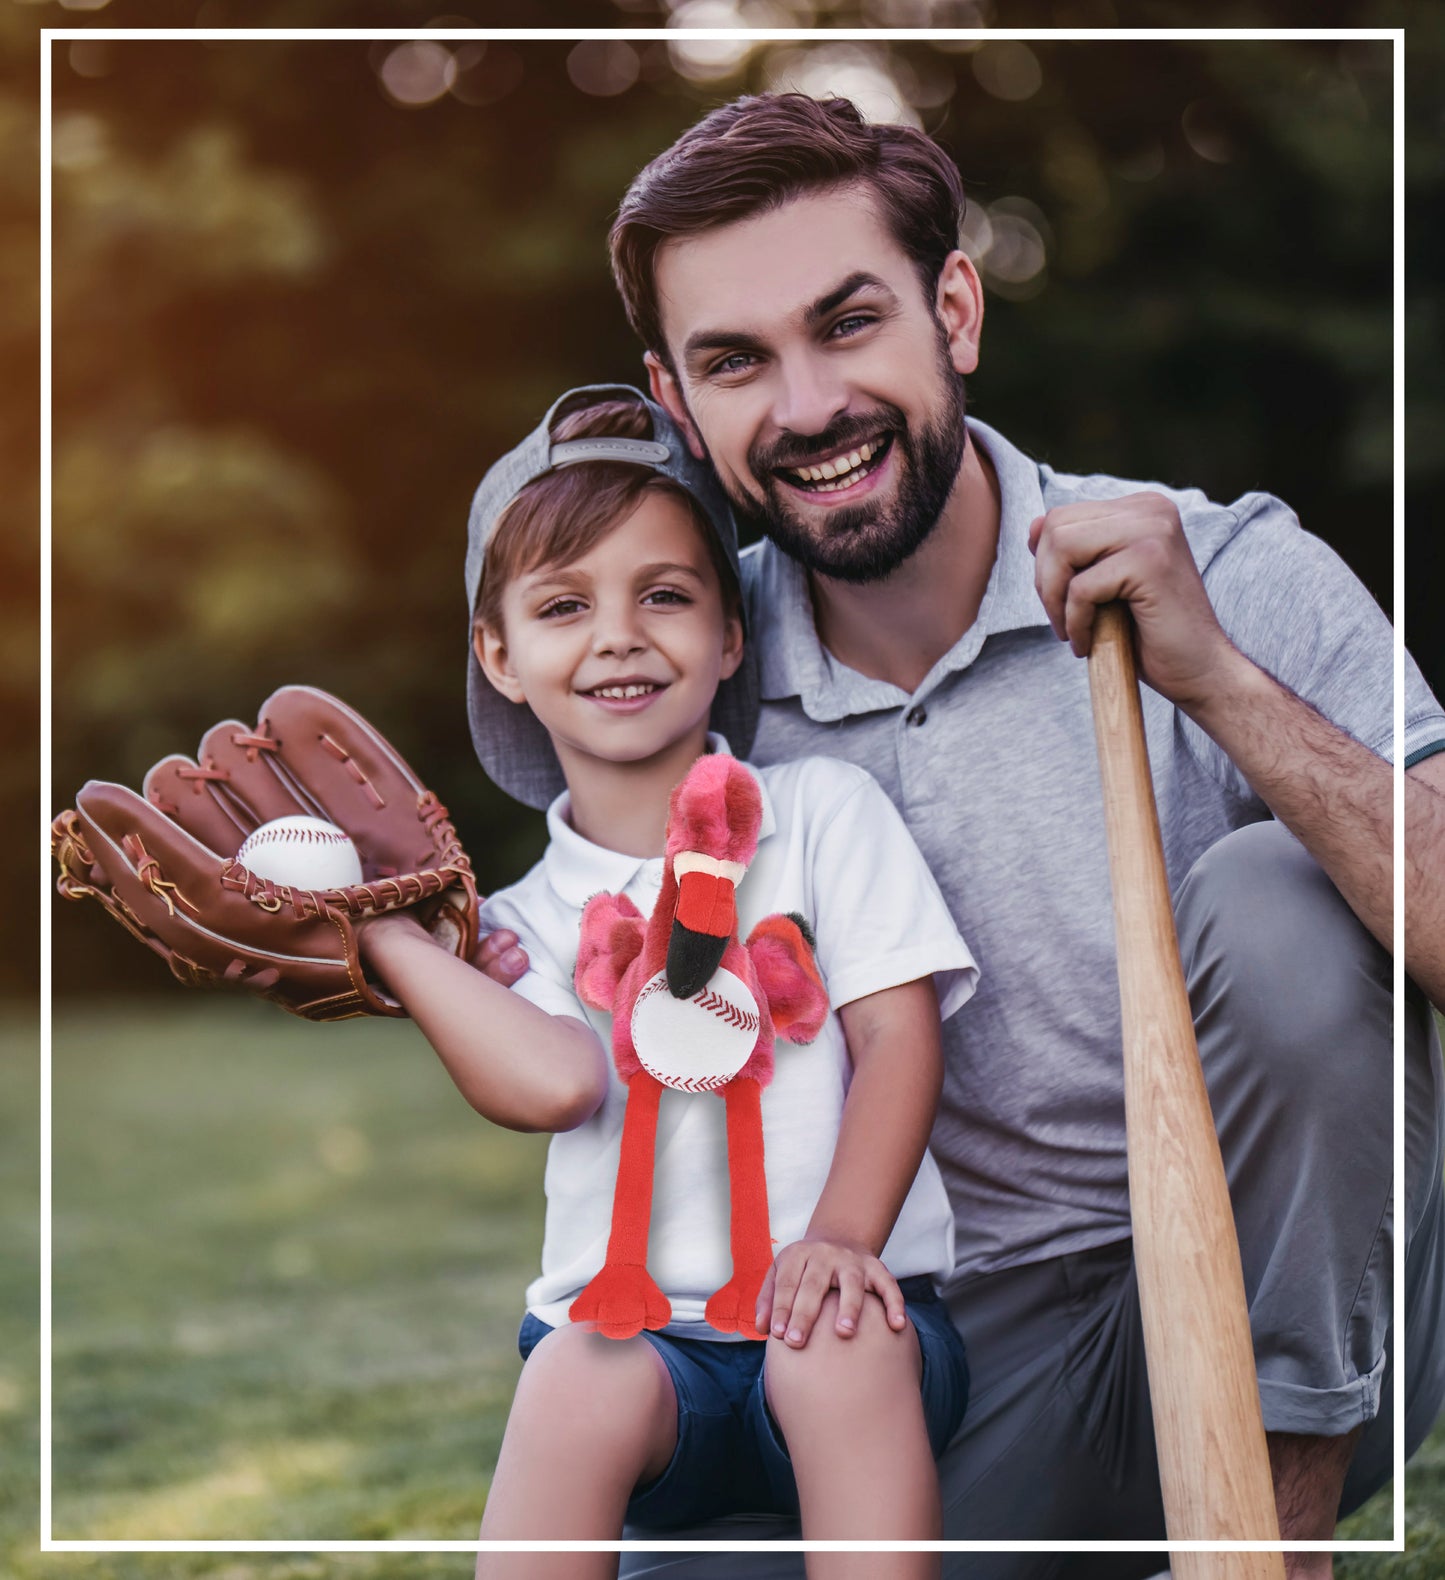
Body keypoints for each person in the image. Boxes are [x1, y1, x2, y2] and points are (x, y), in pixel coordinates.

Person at [478, 94, 1445, 1578]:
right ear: (677, 402)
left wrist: (1219, 682)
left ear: (954, 308)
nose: (804, 408)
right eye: (737, 362)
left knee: (1278, 899)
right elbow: (555, 937)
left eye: (847, 323)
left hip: (1284, 1301)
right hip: (925, 1347)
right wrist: (382, 942)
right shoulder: (685, 666)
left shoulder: (1225, 566)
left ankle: (1265, 1553)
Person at [363, 385, 980, 1580]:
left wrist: (842, 1240)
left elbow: (901, 1042)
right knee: (571, 1376)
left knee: (833, 1339)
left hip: (849, 1315)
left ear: (730, 632)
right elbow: (551, 1085)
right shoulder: (517, 922)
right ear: (497, 653)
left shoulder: (818, 815)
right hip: (648, 1357)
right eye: (560, 605)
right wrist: (393, 939)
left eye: (664, 595)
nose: (617, 635)